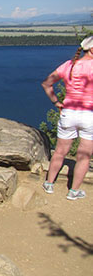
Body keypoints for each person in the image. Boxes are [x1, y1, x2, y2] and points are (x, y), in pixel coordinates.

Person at [41, 36, 93, 200]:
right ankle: (73, 192)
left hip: (68, 113)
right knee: (83, 156)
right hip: (89, 115)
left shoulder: (69, 65)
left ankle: (49, 183)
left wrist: (57, 102)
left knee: (60, 151)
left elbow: (46, 83)